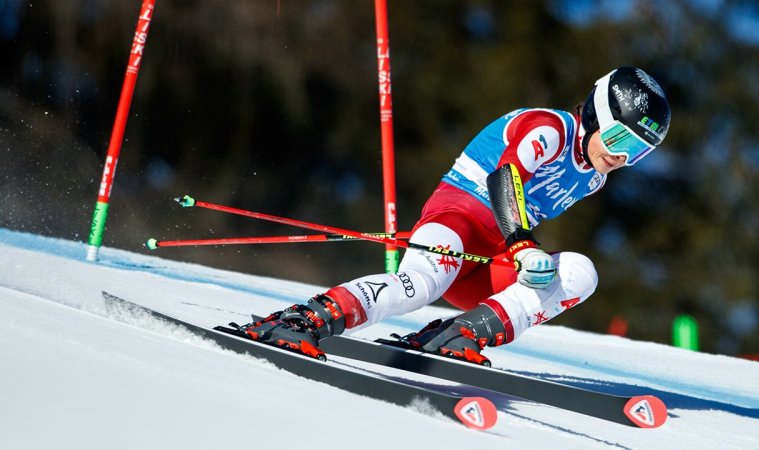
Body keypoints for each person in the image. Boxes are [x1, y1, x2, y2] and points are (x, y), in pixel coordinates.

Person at [242, 66, 671, 365]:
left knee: (581, 273)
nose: (619, 156)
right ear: (596, 114)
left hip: (491, 260)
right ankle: (304, 320)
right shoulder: (550, 128)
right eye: (618, 138)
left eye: (637, 151)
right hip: (457, 220)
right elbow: (505, 178)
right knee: (420, 287)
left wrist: (521, 255)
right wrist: (522, 245)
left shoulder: (592, 178)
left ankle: (458, 334)